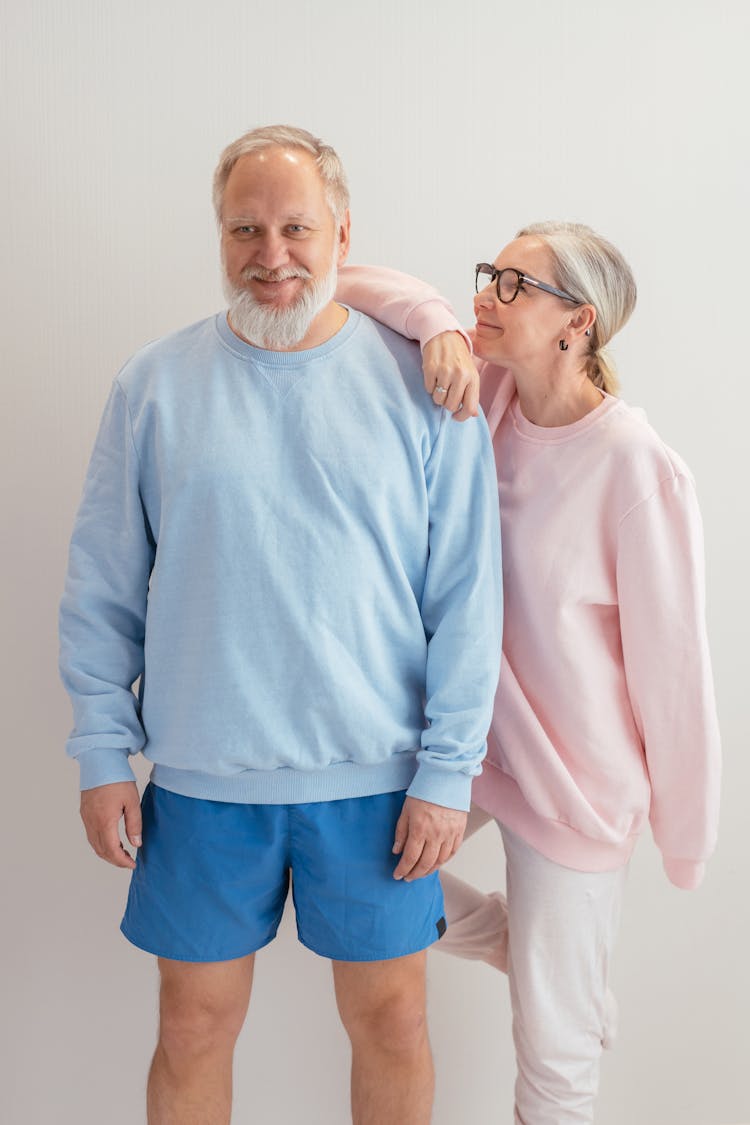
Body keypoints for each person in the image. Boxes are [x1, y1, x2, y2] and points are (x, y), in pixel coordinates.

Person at [58, 124, 503, 1125]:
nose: (271, 254)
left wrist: (446, 775)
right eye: (244, 229)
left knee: (393, 1024)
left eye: (296, 226)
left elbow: (469, 600)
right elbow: (102, 588)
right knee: (193, 1029)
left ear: (344, 232)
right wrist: (99, 753)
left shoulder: (426, 390)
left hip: (381, 784)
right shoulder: (154, 387)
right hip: (206, 781)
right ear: (219, 237)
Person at [335, 223, 721, 1123]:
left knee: (553, 1062)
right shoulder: (488, 392)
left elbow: (676, 672)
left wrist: (686, 836)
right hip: (467, 748)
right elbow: (341, 280)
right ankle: (531, 944)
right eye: (488, 276)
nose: (485, 296)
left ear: (575, 323)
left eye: (513, 285)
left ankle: (558, 969)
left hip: (571, 786)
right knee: (352, 868)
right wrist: (434, 322)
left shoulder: (636, 467)